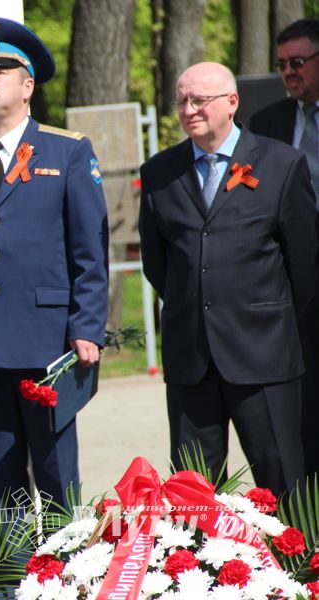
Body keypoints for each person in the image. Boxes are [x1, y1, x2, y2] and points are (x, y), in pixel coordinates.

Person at [0, 17, 108, 515]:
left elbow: (90, 249)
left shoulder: (67, 151)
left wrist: (87, 325)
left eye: (0, 71)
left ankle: (63, 563)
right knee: (0, 478)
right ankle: (12, 567)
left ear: (27, 86)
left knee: (55, 472)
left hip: (47, 341)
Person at [139, 61, 317, 494]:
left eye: (199, 100)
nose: (188, 109)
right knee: (193, 495)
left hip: (264, 354)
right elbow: (157, 264)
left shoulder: (281, 163)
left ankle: (297, 544)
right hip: (192, 358)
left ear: (232, 102)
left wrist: (267, 318)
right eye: (182, 101)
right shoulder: (159, 173)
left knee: (283, 482)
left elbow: (304, 263)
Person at [249, 18, 319, 481]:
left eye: (298, 62)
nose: (289, 72)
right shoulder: (267, 124)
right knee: (304, 405)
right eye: (282, 65)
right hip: (293, 285)